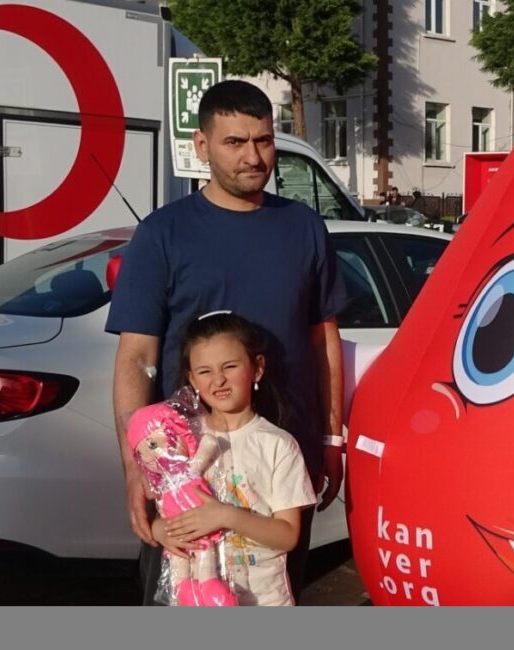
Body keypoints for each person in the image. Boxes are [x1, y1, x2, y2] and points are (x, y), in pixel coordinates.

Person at [107, 79, 346, 605]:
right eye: (234, 142)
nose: (253, 156)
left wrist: (330, 440)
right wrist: (136, 468)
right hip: (188, 464)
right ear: (202, 145)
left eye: (262, 140)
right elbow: (137, 357)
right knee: (187, 599)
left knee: (272, 595)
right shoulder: (163, 234)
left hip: (281, 454)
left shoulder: (304, 228)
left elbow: (324, 339)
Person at [153, 311, 317, 606]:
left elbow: (288, 535)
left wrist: (225, 515)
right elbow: (162, 515)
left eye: (230, 366)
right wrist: (163, 533)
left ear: (257, 368)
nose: (218, 380)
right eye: (204, 371)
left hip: (263, 600)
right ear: (191, 378)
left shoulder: (278, 445)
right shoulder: (180, 441)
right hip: (196, 601)